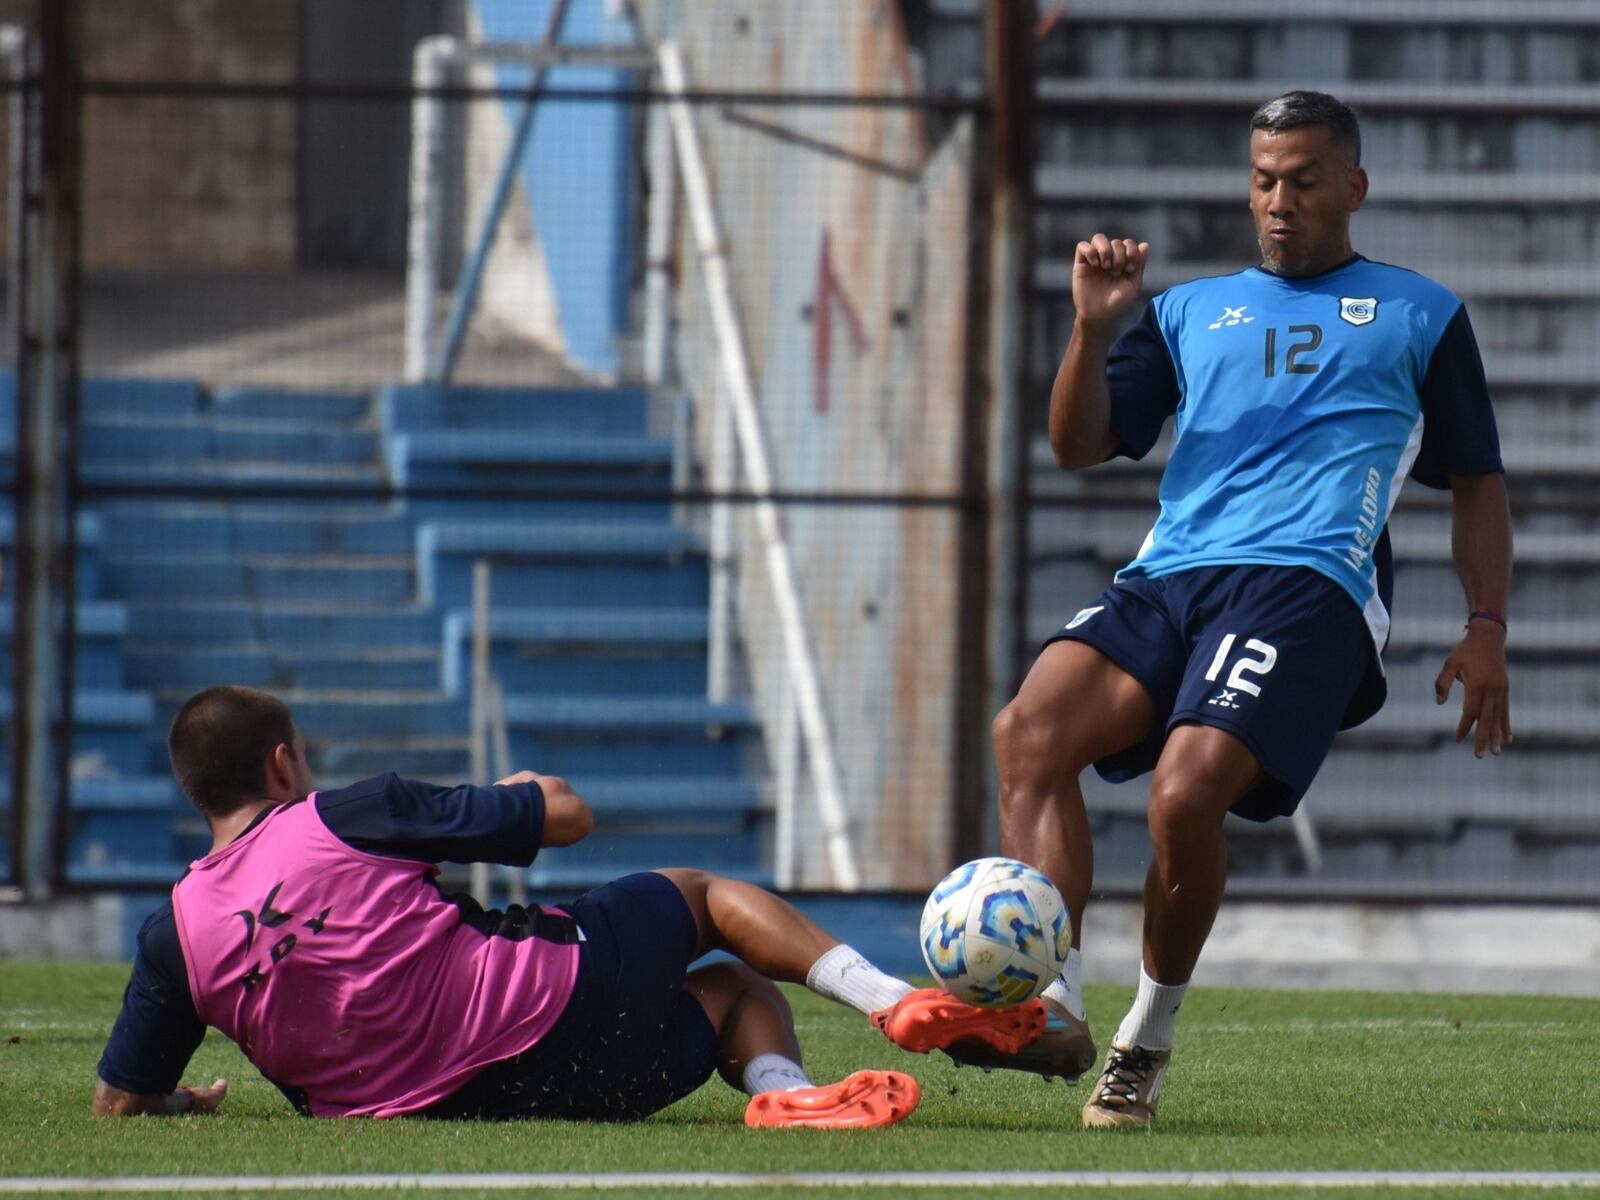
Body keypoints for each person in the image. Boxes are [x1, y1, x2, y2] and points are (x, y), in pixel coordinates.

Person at [977, 90, 1513, 1127]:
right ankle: (1050, 1006)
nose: (1279, 202)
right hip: (1169, 577)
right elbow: (1079, 444)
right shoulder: (1184, 311)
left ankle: (1146, 1038)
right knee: (1028, 731)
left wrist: (1484, 625)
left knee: (1184, 797)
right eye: (1264, 180)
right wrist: (1092, 333)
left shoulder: (1421, 314)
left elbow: (1479, 483)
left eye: (1304, 181)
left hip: (1310, 584)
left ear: (1352, 188)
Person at [92, 685, 1043, 1126]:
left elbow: (118, 1100)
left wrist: (178, 1098)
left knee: (731, 992)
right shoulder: (342, 813)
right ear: (282, 764)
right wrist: (515, 789)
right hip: (552, 1016)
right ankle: (885, 998)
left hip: (461, 1113)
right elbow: (568, 817)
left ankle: (784, 1097)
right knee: (703, 900)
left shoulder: (171, 934)